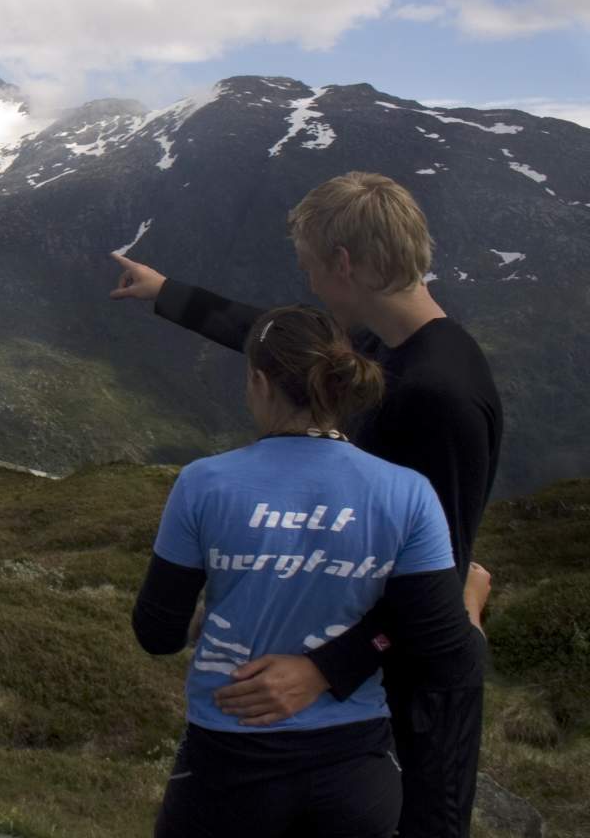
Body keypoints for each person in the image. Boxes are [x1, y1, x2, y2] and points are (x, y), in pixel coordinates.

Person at [113, 171, 498, 837]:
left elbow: (443, 584)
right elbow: (291, 352)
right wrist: (167, 294)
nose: (311, 284)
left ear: (343, 264)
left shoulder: (438, 394)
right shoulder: (395, 348)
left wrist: (324, 669)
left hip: (417, 702)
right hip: (376, 692)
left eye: (310, 268)